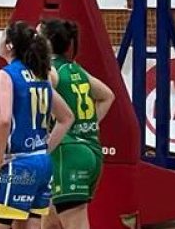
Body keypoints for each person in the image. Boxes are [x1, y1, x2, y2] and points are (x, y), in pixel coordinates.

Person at [0, 21, 74, 229]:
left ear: (10, 45)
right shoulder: (42, 76)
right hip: (42, 164)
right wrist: (43, 149)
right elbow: (67, 117)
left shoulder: (6, 75)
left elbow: (4, 119)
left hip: (17, 163)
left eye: (3, 35)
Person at [39, 18, 115, 229]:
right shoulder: (76, 70)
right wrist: (87, 124)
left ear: (47, 42)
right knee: (51, 221)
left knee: (76, 223)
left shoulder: (50, 72)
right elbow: (108, 96)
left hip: (68, 154)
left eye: (38, 36)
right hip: (91, 151)